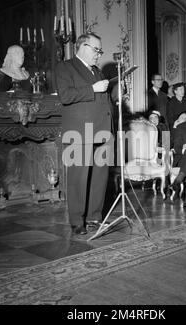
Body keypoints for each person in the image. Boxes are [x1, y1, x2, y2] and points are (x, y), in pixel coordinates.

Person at [55, 33, 114, 235]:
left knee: (99, 177)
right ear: (83, 47)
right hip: (79, 132)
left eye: (100, 51)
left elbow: (102, 101)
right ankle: (77, 221)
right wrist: (93, 88)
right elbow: (65, 96)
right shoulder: (65, 67)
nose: (99, 54)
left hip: (102, 130)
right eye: (96, 50)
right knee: (78, 179)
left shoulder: (97, 71)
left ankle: (94, 217)